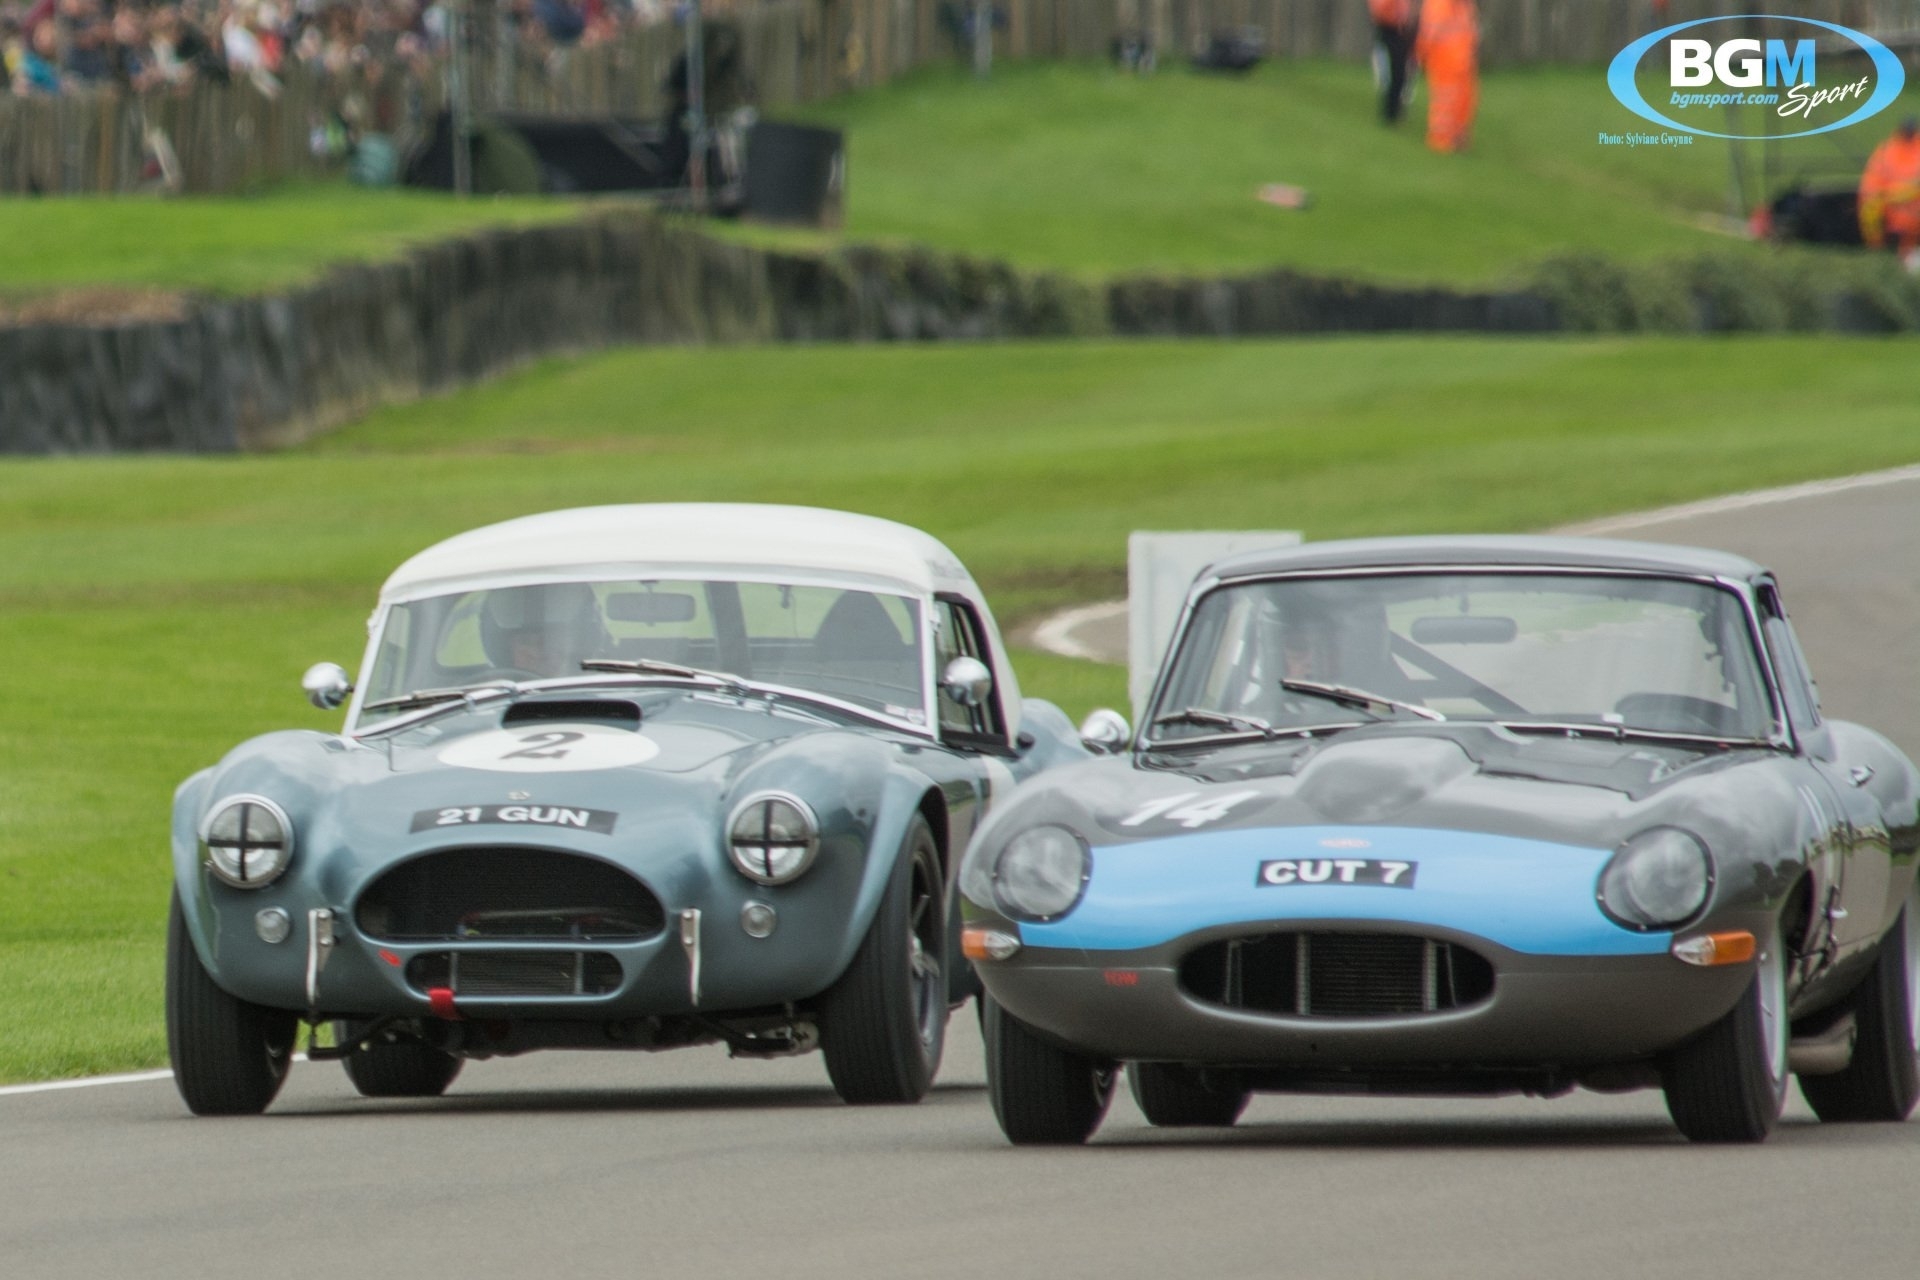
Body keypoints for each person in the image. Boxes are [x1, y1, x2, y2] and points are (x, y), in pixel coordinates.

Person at [1414, 0, 1477, 153]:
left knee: (1464, 99)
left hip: (1462, 59)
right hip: (1444, 60)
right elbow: (1430, 33)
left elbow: (1468, 29)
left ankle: (1458, 135)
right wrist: (1422, 55)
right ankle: (1440, 139)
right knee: (1445, 100)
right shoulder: (1438, 4)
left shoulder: (1463, 5)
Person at [1859, 117, 1920, 269]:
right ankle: (1877, 252)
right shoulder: (1887, 149)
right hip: (1890, 201)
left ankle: (1906, 253)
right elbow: (1872, 179)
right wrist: (1878, 196)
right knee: (1870, 208)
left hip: (1912, 202)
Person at [1368, 0, 1417, 125]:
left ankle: (1395, 108)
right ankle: (1390, 112)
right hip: (1390, 29)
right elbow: (1381, 11)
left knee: (1401, 72)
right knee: (1394, 72)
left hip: (1400, 29)